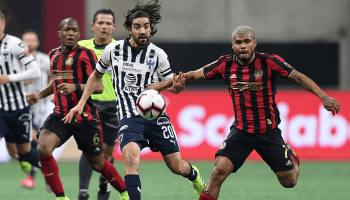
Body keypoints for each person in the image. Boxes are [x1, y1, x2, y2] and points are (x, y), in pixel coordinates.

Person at [148, 25, 341, 200]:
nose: (243, 46)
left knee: (289, 182)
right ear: (233, 45)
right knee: (218, 172)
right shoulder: (225, 65)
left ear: (254, 43)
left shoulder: (269, 62)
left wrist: (323, 96)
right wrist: (160, 86)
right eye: (238, 42)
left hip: (268, 131)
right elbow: (191, 76)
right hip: (242, 131)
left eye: (247, 41)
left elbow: (298, 77)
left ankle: (290, 155)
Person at [63, 1, 206, 199]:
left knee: (177, 167)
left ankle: (194, 176)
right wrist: (81, 103)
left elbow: (170, 85)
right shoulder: (113, 51)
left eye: (146, 27)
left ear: (150, 29)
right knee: (131, 161)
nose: (142, 31)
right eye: (137, 27)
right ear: (129, 29)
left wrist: (177, 88)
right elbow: (95, 76)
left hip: (156, 117)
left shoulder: (158, 55)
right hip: (129, 117)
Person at [26, 18, 126, 200]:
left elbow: (98, 87)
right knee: (43, 147)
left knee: (98, 163)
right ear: (59, 33)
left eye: (74, 30)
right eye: (67, 29)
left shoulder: (86, 54)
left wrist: (75, 87)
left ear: (79, 35)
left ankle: (124, 191)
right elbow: (56, 82)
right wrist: (39, 96)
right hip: (61, 114)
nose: (70, 33)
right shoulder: (54, 54)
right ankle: (61, 197)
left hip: (84, 115)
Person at [77, 9, 129, 200]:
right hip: (90, 105)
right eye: (100, 23)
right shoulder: (81, 47)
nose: (104, 27)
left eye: (108, 23)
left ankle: (104, 183)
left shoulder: (122, 49)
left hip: (114, 107)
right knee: (89, 148)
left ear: (114, 27)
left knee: (107, 152)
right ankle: (83, 191)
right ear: (93, 26)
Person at [0, 9, 42, 180]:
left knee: (20, 152)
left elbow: (36, 72)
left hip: (18, 107)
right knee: (15, 152)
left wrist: (9, 78)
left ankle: (47, 167)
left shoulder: (14, 44)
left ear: (3, 23)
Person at [13, 29, 51, 190]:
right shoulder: (16, 61)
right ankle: (46, 174)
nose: (29, 42)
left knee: (35, 141)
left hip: (40, 107)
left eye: (32, 39)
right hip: (21, 106)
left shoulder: (44, 59)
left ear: (37, 42)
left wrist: (50, 93)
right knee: (28, 143)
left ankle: (33, 177)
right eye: (26, 39)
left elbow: (54, 75)